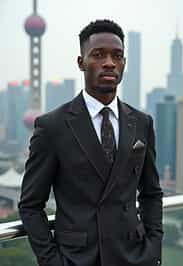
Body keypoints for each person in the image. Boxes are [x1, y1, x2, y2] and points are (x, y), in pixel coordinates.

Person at [18, 19, 163, 266]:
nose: (109, 62)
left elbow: (151, 193)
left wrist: (153, 249)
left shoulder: (142, 123)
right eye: (98, 54)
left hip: (134, 256)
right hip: (77, 259)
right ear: (81, 62)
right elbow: (31, 205)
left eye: (117, 56)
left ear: (124, 64)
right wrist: (51, 261)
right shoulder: (52, 127)